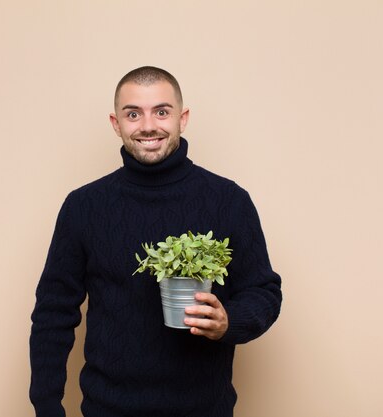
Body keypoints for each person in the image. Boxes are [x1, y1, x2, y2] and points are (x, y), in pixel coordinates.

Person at [29, 66, 282, 417]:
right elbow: (53, 314)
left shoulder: (227, 199)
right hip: (108, 409)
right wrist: (46, 408)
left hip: (205, 410)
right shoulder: (84, 206)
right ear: (116, 124)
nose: (148, 126)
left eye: (161, 112)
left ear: (183, 118)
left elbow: (264, 291)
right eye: (133, 114)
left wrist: (229, 321)